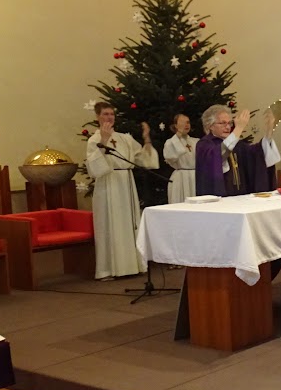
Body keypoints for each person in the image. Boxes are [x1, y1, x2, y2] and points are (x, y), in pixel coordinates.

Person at [85, 102, 160, 280]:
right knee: (111, 224)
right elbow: (94, 167)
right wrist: (104, 140)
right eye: (105, 114)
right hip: (108, 183)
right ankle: (109, 269)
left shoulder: (124, 138)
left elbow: (142, 158)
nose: (109, 117)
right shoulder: (94, 139)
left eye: (111, 114)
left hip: (126, 183)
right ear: (97, 117)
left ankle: (132, 265)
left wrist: (147, 139)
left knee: (129, 223)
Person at [195, 105, 280, 197]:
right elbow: (219, 156)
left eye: (229, 123)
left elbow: (257, 155)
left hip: (241, 197)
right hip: (220, 199)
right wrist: (239, 128)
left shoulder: (237, 145)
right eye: (223, 123)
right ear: (210, 126)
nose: (228, 127)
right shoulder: (205, 145)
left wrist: (269, 132)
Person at [163, 113, 198, 204]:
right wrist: (178, 136)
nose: (186, 125)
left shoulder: (196, 141)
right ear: (175, 125)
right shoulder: (170, 142)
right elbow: (170, 157)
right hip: (181, 178)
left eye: (188, 122)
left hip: (195, 177)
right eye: (183, 122)